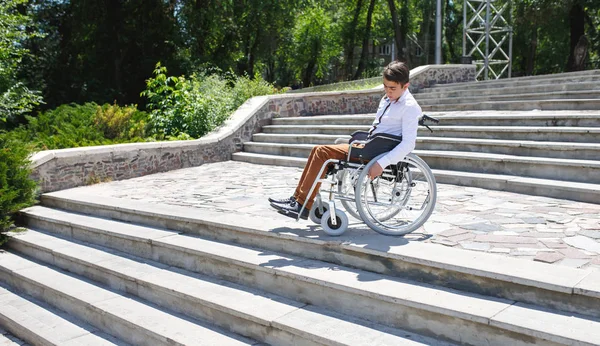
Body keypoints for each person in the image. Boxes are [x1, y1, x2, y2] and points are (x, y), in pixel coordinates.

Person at [269, 61, 422, 219]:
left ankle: (302, 204)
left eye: (392, 88)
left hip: (375, 153)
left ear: (405, 86)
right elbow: (379, 129)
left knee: (322, 152)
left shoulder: (410, 107)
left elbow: (409, 144)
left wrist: (381, 163)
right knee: (317, 149)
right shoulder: (387, 100)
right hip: (370, 146)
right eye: (385, 86)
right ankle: (297, 199)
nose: (388, 92)